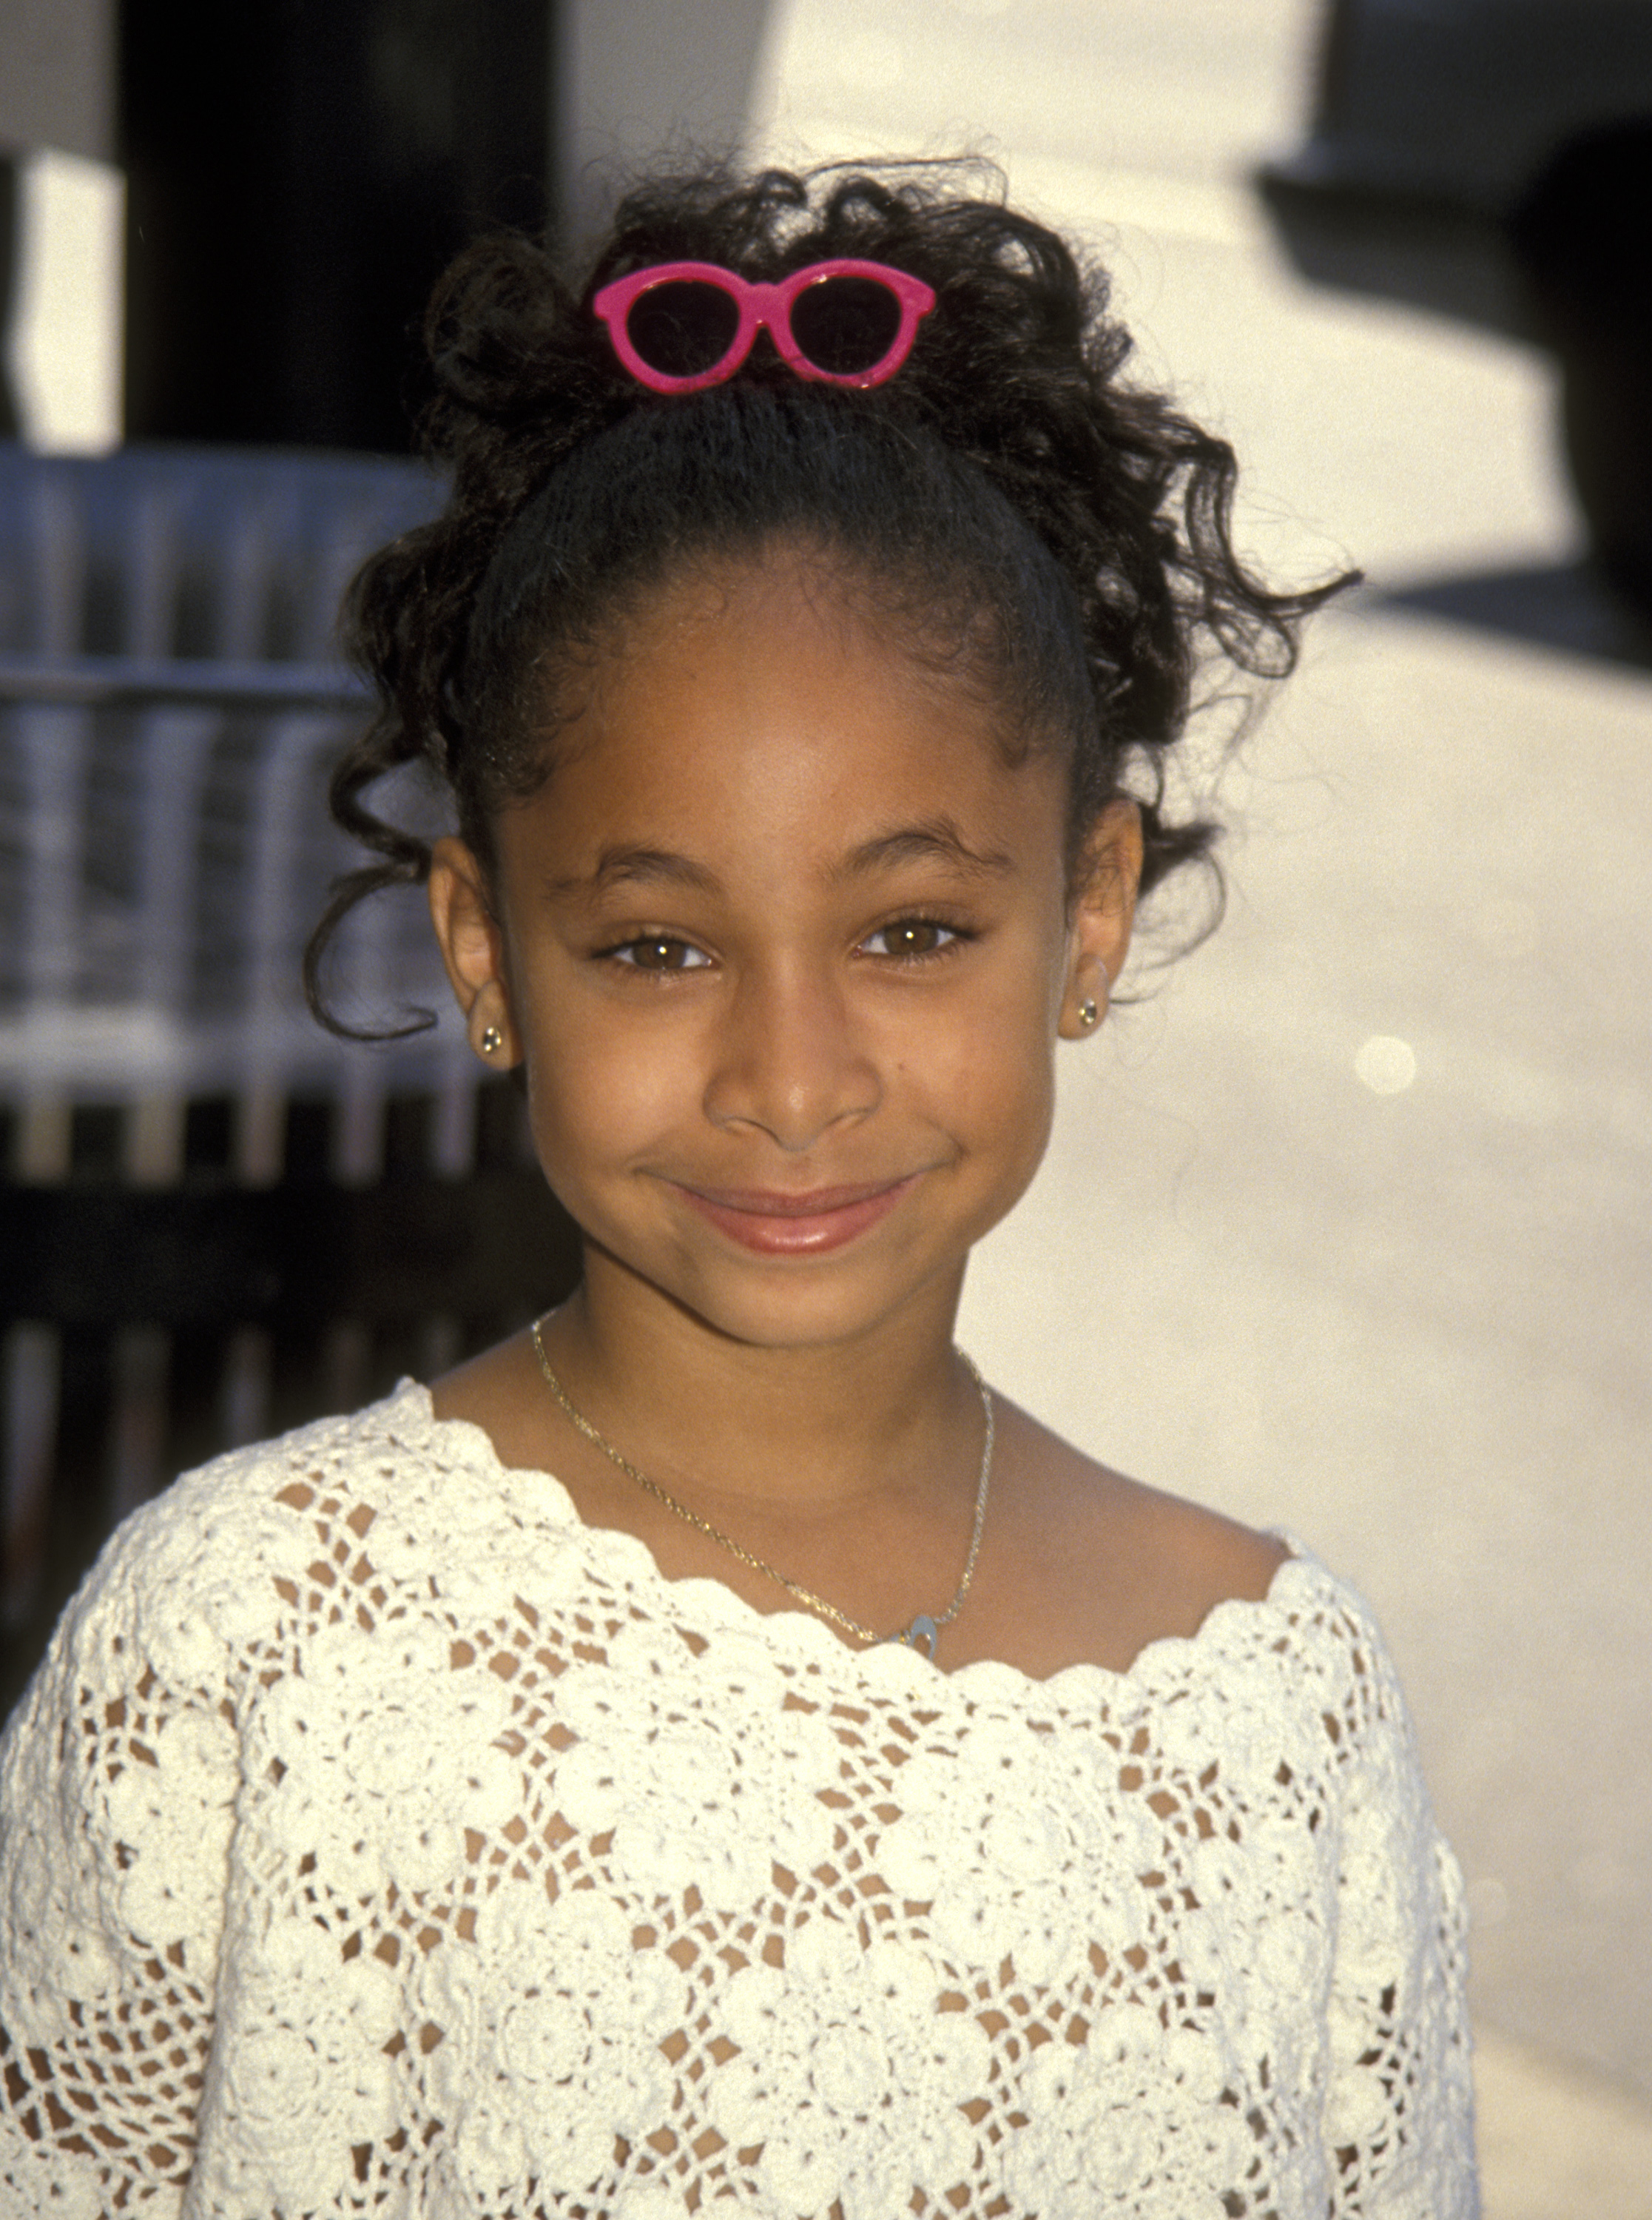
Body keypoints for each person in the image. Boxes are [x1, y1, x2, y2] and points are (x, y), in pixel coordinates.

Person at [0, 161, 1477, 2217]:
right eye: (658, 949)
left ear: (1087, 916)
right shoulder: (255, 1643)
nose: (790, 1079)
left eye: (910, 935)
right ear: (487, 952)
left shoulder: (1278, 1719)